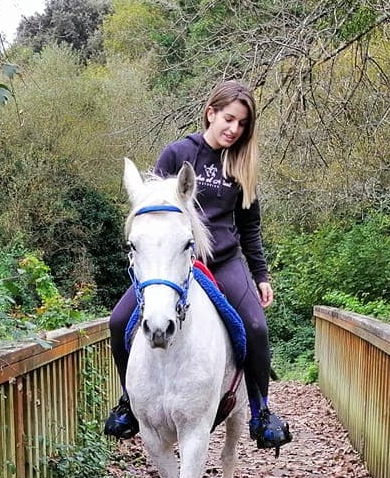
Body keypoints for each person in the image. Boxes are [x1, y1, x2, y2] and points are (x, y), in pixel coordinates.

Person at [103, 80, 293, 451]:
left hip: (223, 261)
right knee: (116, 322)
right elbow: (151, 210)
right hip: (176, 263)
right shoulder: (177, 153)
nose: (233, 129)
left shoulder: (241, 166)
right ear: (211, 113)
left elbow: (250, 227)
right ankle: (130, 402)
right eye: (228, 119)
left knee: (254, 325)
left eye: (241, 124)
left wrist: (261, 274)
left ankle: (262, 411)